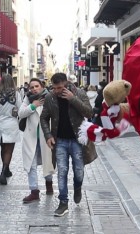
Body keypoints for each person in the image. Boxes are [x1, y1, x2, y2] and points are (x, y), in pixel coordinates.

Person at [40, 72, 97, 217]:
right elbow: (44, 118)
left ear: (66, 84)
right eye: (55, 88)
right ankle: (63, 202)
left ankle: (77, 187)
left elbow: (89, 112)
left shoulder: (79, 93)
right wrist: (48, 135)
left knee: (79, 171)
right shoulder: (50, 97)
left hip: (77, 140)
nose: (57, 91)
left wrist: (73, 99)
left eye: (60, 88)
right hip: (60, 141)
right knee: (62, 171)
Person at [18, 78, 55, 203]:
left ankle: (49, 184)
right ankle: (34, 191)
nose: (34, 89)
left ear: (42, 86)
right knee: (31, 163)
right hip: (31, 136)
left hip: (46, 136)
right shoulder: (27, 99)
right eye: (32, 87)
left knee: (47, 161)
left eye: (36, 86)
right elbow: (21, 113)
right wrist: (33, 105)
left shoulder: (49, 97)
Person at [0, 74, 22, 185]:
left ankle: (6, 169)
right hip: (11, 124)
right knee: (9, 150)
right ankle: (4, 171)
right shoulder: (16, 94)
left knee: (3, 148)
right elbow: (20, 108)